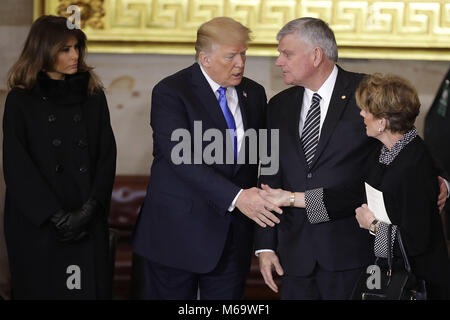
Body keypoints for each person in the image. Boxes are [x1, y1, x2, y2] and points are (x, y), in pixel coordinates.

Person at [254, 17, 449, 300]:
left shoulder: (369, 96)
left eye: (286, 53)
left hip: (355, 257)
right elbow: (268, 176)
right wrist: (265, 246)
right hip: (295, 256)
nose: (278, 61)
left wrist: (438, 181)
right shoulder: (277, 106)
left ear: (316, 54)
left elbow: (408, 148)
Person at [131, 17, 281, 300]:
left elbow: (265, 157)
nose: (240, 63)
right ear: (205, 58)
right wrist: (238, 197)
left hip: (233, 239)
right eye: (231, 56)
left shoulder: (255, 93)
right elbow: (180, 159)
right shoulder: (171, 92)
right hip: (176, 234)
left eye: (243, 54)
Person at [3, 15, 117, 299]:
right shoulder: (20, 99)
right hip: (39, 222)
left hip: (86, 219)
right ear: (43, 50)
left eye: (77, 47)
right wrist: (55, 216)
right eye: (65, 49)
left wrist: (89, 210)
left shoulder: (93, 96)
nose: (75, 55)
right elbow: (17, 165)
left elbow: (106, 155)